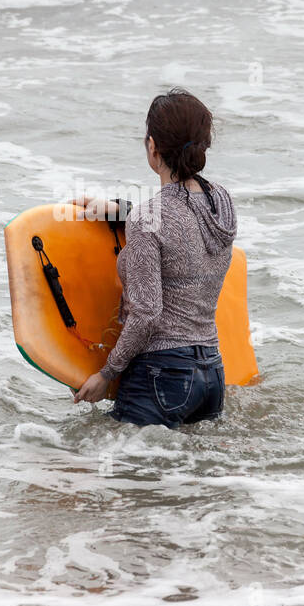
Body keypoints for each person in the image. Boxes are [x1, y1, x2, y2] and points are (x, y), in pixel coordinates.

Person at [73, 89, 236, 427]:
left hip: (162, 375)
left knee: (120, 472)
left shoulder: (150, 219)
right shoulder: (221, 202)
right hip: (211, 376)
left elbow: (147, 314)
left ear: (152, 147)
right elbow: (181, 220)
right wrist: (122, 210)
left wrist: (107, 373)